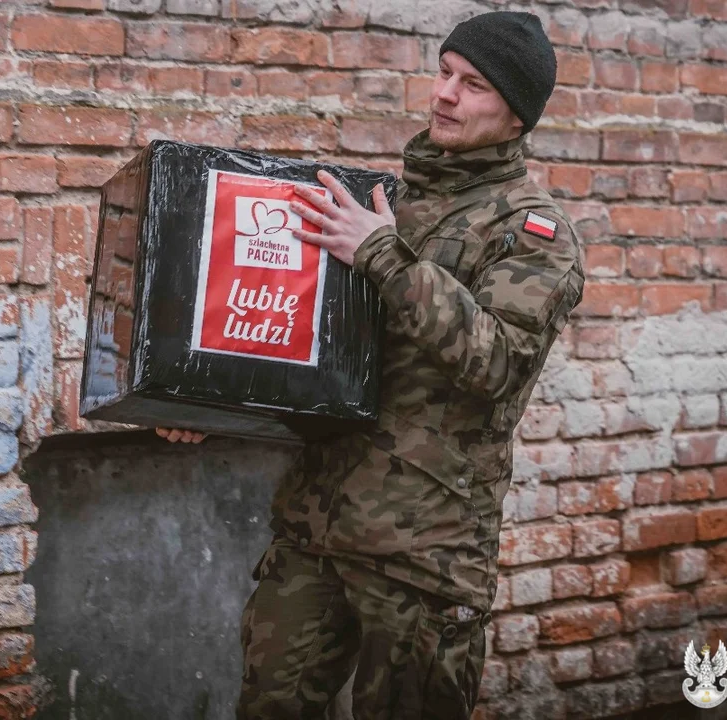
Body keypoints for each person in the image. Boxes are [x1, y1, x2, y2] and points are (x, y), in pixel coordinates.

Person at [161, 11, 585, 719]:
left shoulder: (532, 233)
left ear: (517, 118)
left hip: (424, 556)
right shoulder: (384, 203)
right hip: (315, 532)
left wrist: (383, 255)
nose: (444, 94)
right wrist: (209, 409)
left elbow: (495, 363)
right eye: (444, 72)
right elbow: (314, 357)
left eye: (473, 84)